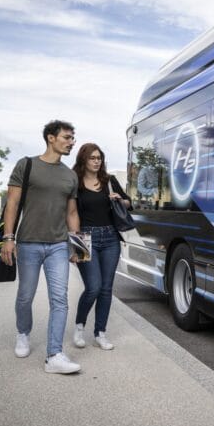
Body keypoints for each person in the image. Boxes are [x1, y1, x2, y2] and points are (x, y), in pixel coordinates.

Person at [1, 120, 82, 374]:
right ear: (51, 137)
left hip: (58, 245)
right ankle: (23, 333)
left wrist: (78, 246)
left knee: (60, 299)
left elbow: (72, 212)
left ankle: (54, 355)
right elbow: (12, 204)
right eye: (67, 137)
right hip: (28, 243)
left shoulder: (70, 175)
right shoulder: (27, 165)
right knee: (25, 295)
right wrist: (8, 238)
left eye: (72, 138)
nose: (71, 142)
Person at [71, 143, 132, 351]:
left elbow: (128, 203)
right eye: (92, 158)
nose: (97, 161)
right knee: (93, 287)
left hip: (110, 238)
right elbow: (71, 214)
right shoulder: (75, 182)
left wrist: (120, 200)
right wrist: (74, 246)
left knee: (106, 289)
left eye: (99, 158)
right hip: (85, 238)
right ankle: (79, 326)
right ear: (83, 160)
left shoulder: (109, 181)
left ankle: (100, 333)